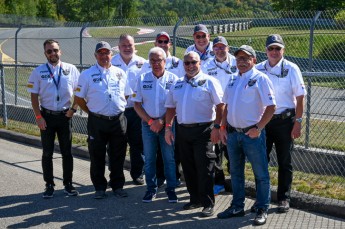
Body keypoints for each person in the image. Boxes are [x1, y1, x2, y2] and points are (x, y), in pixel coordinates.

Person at [217, 45, 276, 226]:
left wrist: (258, 128)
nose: (241, 62)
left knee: (261, 174)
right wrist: (222, 126)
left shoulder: (261, 78)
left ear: (254, 60)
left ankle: (261, 208)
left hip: (252, 135)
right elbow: (225, 105)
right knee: (235, 172)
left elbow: (271, 107)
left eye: (245, 58)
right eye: (239, 59)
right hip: (233, 134)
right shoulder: (233, 79)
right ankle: (237, 206)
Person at [165, 51, 224, 217]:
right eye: (187, 63)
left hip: (204, 130)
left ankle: (208, 203)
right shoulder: (177, 83)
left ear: (200, 63)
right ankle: (195, 199)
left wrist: (218, 127)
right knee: (188, 167)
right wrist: (168, 128)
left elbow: (221, 106)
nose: (190, 66)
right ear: (183, 65)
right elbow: (170, 108)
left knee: (205, 168)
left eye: (194, 62)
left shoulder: (210, 81)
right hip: (183, 130)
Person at [255, 34, 306, 213]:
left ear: (283, 50)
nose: (274, 52)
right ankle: (262, 199)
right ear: (266, 50)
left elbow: (300, 98)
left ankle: (283, 198)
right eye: (271, 48)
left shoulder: (292, 68)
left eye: (278, 48)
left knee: (284, 162)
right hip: (264, 122)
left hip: (285, 121)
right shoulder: (258, 68)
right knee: (261, 160)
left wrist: (298, 122)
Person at [74, 41, 132, 199]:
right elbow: (78, 98)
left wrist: (117, 106)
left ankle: (117, 185)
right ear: (95, 55)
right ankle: (99, 187)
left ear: (111, 55)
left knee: (118, 155)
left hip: (118, 120)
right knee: (97, 154)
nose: (104, 56)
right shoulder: (87, 74)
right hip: (97, 121)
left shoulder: (120, 72)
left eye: (107, 53)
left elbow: (126, 94)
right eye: (101, 53)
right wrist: (91, 111)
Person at [27, 39, 80, 198]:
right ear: (45, 54)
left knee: (67, 153)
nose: (53, 53)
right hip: (46, 117)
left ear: (60, 51)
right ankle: (49, 184)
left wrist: (73, 110)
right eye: (49, 51)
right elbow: (34, 96)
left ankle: (68, 184)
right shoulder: (38, 71)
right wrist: (38, 117)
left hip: (65, 116)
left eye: (55, 50)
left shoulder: (71, 69)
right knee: (47, 153)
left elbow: (79, 92)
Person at [133, 47, 179, 203]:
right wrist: (151, 121)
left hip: (167, 125)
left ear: (165, 61)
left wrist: (163, 122)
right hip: (148, 125)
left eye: (159, 60)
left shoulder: (174, 79)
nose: (156, 63)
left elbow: (174, 106)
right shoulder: (142, 79)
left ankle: (171, 189)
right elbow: (137, 105)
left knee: (169, 158)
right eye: (152, 60)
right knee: (150, 158)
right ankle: (150, 189)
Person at [201, 36, 237, 195]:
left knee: (233, 151)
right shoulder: (206, 65)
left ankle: (236, 181)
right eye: (216, 47)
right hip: (215, 114)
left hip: (234, 113)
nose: (220, 50)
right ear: (212, 49)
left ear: (228, 48)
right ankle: (219, 181)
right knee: (215, 151)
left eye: (223, 47)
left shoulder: (237, 62)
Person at [111, 34, 145, 185]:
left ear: (134, 46)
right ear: (118, 47)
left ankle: (138, 174)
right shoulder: (111, 63)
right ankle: (116, 177)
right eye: (124, 45)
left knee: (137, 145)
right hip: (118, 111)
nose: (127, 48)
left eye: (130, 45)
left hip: (137, 110)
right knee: (117, 146)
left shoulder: (143, 63)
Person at [151, 31, 184, 188]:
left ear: (170, 44)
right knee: (157, 148)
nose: (163, 44)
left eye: (166, 41)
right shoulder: (150, 61)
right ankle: (159, 176)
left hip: (175, 112)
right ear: (155, 43)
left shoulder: (178, 62)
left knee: (173, 147)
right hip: (155, 113)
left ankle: (174, 176)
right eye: (160, 41)